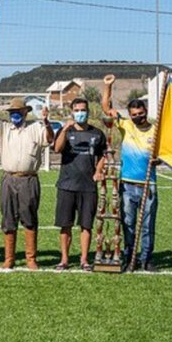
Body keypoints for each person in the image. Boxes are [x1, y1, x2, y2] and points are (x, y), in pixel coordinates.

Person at [0, 74, 54, 270]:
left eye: (18, 111)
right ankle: (9, 259)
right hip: (9, 179)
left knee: (30, 219)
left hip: (29, 180)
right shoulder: (4, 129)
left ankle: (31, 259)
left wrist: (46, 122)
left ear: (25, 112)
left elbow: (50, 139)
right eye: (12, 112)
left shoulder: (36, 128)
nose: (15, 114)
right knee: (8, 219)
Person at [101, 74, 159, 273]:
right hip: (126, 184)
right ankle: (128, 256)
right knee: (127, 224)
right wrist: (108, 86)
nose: (137, 117)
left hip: (147, 185)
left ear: (146, 112)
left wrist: (159, 160)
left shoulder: (156, 132)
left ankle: (146, 259)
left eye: (140, 114)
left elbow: (165, 154)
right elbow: (106, 109)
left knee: (147, 225)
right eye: (133, 114)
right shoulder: (125, 125)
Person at [52, 97, 106, 272]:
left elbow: (103, 155)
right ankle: (64, 259)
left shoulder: (97, 133)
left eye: (83, 110)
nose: (80, 113)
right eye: (77, 110)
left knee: (86, 225)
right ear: (72, 112)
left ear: (88, 111)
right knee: (65, 224)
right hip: (67, 185)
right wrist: (65, 129)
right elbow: (57, 149)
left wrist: (98, 171)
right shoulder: (65, 131)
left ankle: (84, 259)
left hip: (88, 187)